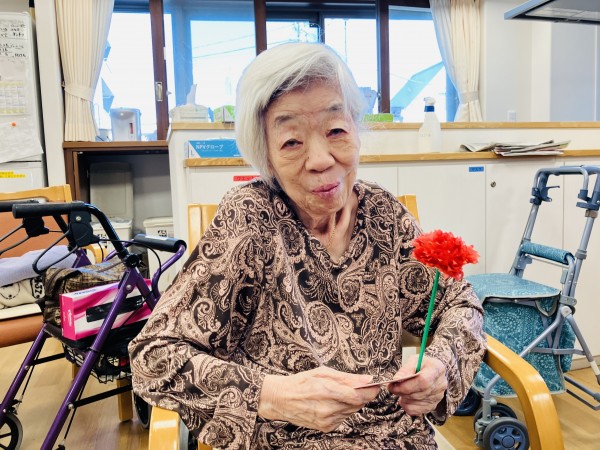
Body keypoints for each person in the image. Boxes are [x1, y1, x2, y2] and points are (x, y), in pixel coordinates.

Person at [129, 42, 486, 449]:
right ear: (266, 156)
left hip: (394, 436)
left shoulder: (383, 214)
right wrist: (275, 396)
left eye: (336, 131)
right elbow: (154, 357)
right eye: (292, 142)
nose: (320, 159)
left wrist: (439, 364)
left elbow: (459, 303)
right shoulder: (250, 218)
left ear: (356, 130)